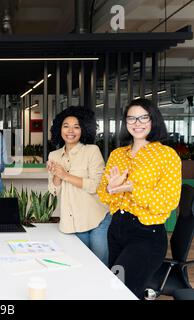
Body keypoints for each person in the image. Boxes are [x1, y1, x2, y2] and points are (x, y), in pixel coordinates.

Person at [97, 98, 181, 299]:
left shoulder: (167, 156)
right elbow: (102, 194)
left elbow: (168, 201)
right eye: (131, 118)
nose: (137, 123)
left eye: (143, 117)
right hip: (116, 228)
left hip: (146, 235)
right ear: (125, 123)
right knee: (117, 288)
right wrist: (111, 188)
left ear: (153, 120)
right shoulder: (118, 154)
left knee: (120, 290)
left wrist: (133, 187)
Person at [47, 106, 110, 265]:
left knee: (100, 264)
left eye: (76, 126)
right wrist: (56, 174)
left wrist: (65, 175)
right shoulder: (54, 155)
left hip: (97, 218)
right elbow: (54, 190)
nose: (70, 130)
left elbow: (95, 186)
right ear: (59, 129)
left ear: (84, 129)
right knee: (82, 263)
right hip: (73, 221)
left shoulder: (92, 151)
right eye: (66, 126)